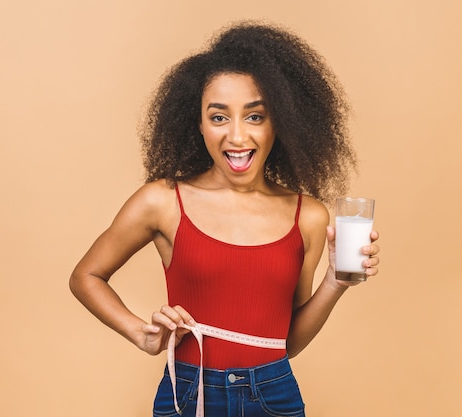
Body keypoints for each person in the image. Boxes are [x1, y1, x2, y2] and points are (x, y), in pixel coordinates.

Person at [69, 21, 380, 417]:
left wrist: (336, 281)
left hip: (274, 396)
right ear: (197, 124)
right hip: (188, 393)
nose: (236, 136)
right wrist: (139, 333)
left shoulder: (310, 216)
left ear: (279, 123)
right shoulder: (163, 202)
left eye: (255, 117)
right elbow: (85, 276)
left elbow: (286, 343)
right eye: (219, 117)